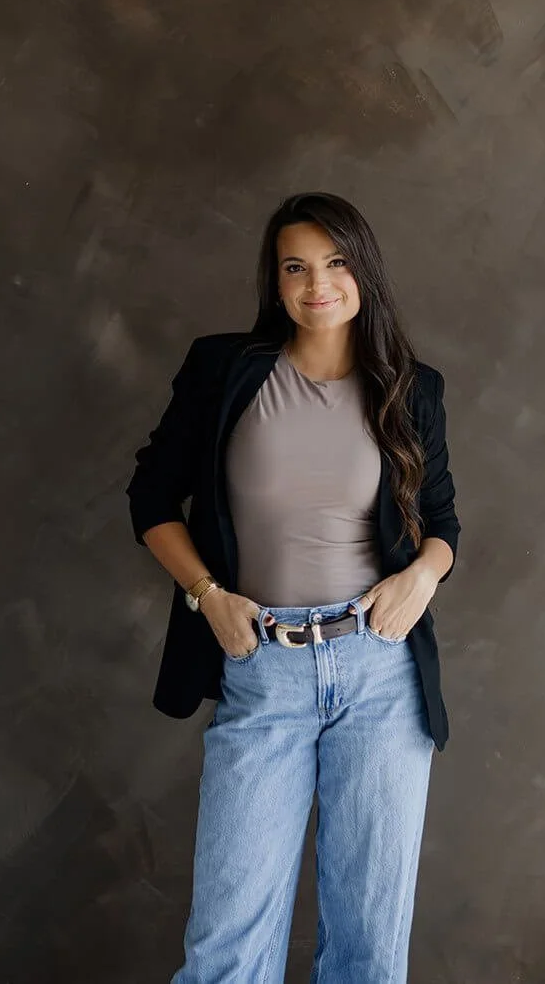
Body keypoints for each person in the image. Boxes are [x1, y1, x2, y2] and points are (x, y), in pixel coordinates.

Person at [126, 191, 461, 983]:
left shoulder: (410, 387)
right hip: (261, 663)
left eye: (338, 262)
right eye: (296, 267)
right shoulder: (224, 372)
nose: (319, 284)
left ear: (363, 272)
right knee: (227, 941)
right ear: (275, 282)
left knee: (369, 946)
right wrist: (209, 595)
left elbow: (442, 518)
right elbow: (149, 499)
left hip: (382, 671)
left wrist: (424, 573)